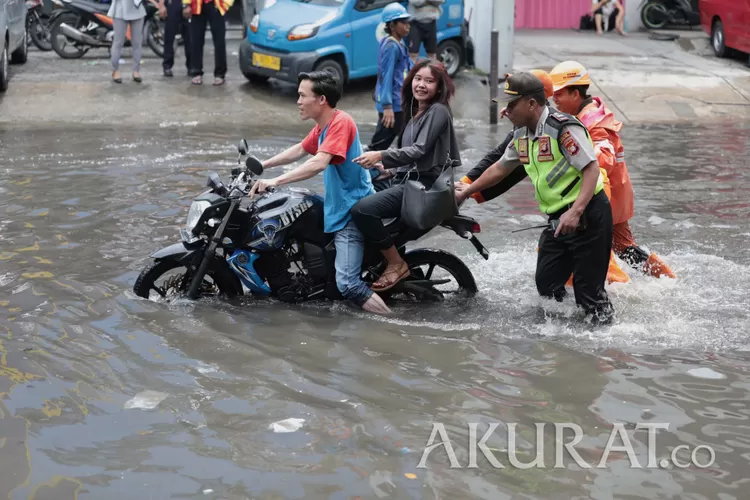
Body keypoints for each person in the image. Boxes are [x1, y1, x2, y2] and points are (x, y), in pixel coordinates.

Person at [455, 72, 615, 324]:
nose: (506, 111)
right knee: (547, 286)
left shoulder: (562, 127)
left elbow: (591, 168)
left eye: (511, 105)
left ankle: (602, 341)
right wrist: (466, 190)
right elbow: (500, 168)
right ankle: (564, 337)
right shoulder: (522, 133)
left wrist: (576, 211)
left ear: (531, 103)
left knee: (589, 296)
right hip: (557, 218)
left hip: (588, 215)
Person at [247, 71, 390, 314]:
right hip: (338, 207)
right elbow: (300, 150)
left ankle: (394, 328)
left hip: (351, 212)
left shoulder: (340, 122)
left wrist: (275, 181)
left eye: (303, 96)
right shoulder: (324, 126)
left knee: (349, 285)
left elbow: (318, 163)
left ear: (321, 99)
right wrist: (264, 164)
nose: (298, 101)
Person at [549, 60, 675, 279]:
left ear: (575, 93)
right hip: (613, 192)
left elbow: (603, 158)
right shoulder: (590, 115)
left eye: (559, 93)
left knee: (597, 252)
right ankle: (665, 279)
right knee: (624, 248)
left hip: (603, 195)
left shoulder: (595, 123)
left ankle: (616, 289)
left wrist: (571, 159)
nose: (554, 99)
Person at [351, 60, 461, 292]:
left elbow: (420, 150)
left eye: (429, 81)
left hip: (422, 187)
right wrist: (389, 169)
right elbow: (418, 156)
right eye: (418, 79)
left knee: (362, 210)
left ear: (439, 87)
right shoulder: (417, 113)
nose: (421, 85)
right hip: (408, 180)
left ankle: (395, 263)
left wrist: (380, 155)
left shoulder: (437, 111)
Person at [367, 2, 414, 191]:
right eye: (403, 22)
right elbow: (386, 76)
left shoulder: (398, 43)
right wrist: (387, 106)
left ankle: (395, 176)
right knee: (379, 145)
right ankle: (365, 175)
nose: (407, 25)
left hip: (398, 103)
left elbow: (406, 68)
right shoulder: (391, 46)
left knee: (404, 142)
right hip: (392, 106)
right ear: (392, 25)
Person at [182, 0, 232, 85]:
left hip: (217, 4)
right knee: (196, 40)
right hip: (197, 4)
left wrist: (226, 3)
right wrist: (186, 4)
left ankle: (220, 74)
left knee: (219, 41)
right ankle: (196, 71)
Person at [108, 0, 146, 83]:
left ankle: (136, 71)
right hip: (120, 10)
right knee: (118, 42)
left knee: (137, 42)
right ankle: (115, 70)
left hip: (137, 9)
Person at [158, 0, 192, 77]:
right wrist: (161, 5)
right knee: (169, 37)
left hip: (188, 3)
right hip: (172, 3)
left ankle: (192, 66)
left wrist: (188, 5)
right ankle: (167, 66)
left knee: (190, 37)